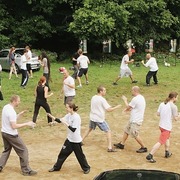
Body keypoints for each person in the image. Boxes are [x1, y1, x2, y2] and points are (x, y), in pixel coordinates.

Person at [47, 102, 90, 174]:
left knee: (80, 156)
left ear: (71, 108)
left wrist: (66, 123)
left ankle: (86, 168)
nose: (66, 109)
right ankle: (56, 167)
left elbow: (73, 129)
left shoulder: (76, 117)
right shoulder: (68, 115)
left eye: (67, 107)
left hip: (76, 140)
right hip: (69, 139)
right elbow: (60, 120)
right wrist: (52, 117)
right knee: (62, 154)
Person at [0, 95, 37, 176]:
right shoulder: (11, 112)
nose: (19, 102)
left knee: (6, 150)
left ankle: (0, 166)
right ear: (14, 101)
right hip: (11, 135)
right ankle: (26, 170)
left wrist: (19, 115)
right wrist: (27, 123)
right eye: (18, 101)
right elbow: (14, 126)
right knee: (23, 150)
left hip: (4, 133)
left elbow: (10, 120)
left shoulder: (6, 107)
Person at [82, 85, 121, 152]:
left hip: (92, 117)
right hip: (99, 119)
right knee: (108, 131)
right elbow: (108, 109)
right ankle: (109, 147)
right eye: (104, 90)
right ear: (101, 91)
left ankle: (80, 141)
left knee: (89, 128)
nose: (105, 92)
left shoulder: (93, 97)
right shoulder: (102, 99)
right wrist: (117, 107)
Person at [146, 92, 179, 163]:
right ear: (174, 98)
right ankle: (150, 155)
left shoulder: (162, 104)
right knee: (161, 142)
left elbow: (158, 114)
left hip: (161, 125)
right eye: (177, 97)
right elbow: (176, 118)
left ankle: (167, 152)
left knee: (167, 138)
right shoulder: (174, 107)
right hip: (167, 127)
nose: (177, 99)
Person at [114, 86, 147, 153]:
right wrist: (127, 110)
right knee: (126, 130)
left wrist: (125, 100)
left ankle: (144, 147)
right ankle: (122, 144)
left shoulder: (135, 99)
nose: (131, 92)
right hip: (134, 119)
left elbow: (128, 107)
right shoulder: (141, 97)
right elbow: (135, 107)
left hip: (136, 120)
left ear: (135, 91)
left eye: (132, 91)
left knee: (134, 134)